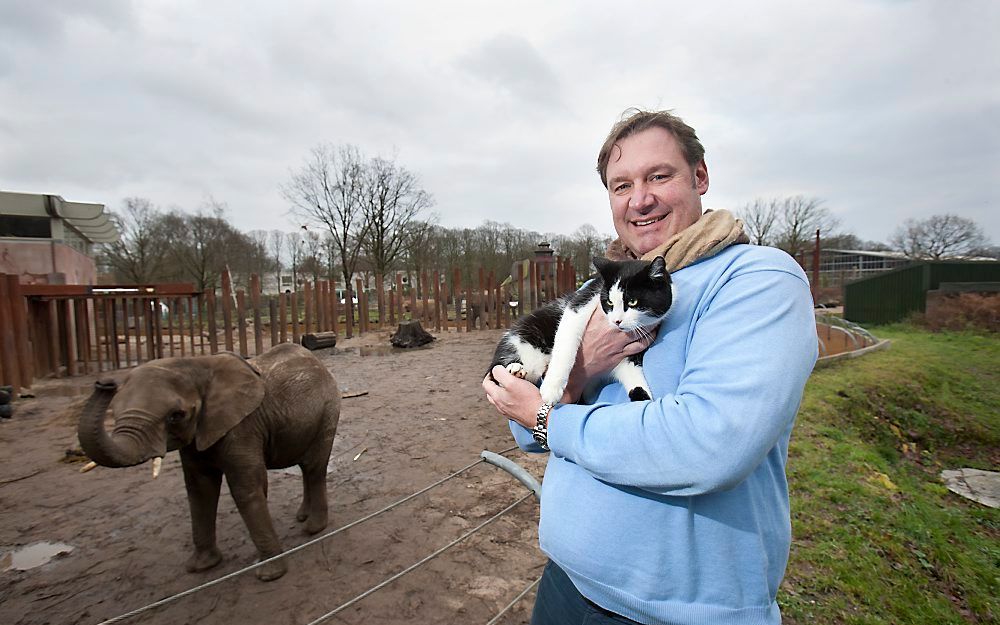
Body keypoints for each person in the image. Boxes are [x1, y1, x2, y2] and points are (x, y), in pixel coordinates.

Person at [483, 109, 818, 625]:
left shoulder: (758, 280)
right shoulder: (608, 288)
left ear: (700, 177)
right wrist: (581, 370)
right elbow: (523, 429)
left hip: (681, 611)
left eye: (658, 176)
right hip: (566, 585)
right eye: (622, 185)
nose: (639, 199)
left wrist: (550, 420)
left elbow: (710, 444)